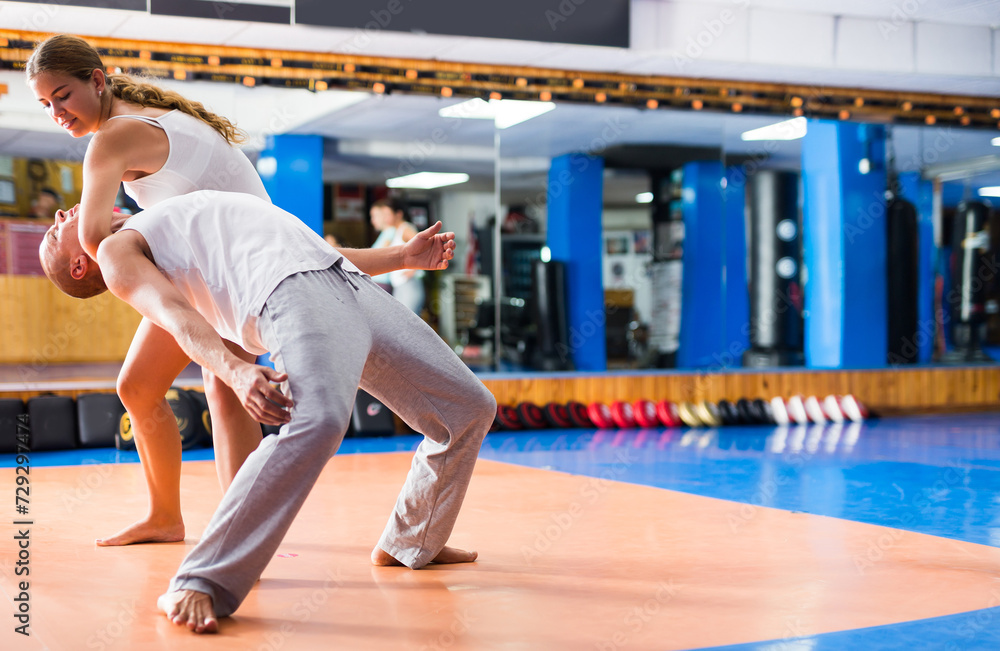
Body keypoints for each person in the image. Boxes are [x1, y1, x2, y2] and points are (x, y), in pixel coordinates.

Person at [40, 190, 495, 633]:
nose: (61, 212)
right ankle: (201, 578)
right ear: (80, 264)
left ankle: (412, 540)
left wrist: (401, 258)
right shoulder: (118, 253)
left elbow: (307, 247)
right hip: (291, 289)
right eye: (53, 231)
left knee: (467, 407)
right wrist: (236, 371)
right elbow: (178, 317)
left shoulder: (156, 210)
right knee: (316, 420)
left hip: (341, 276)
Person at [27, 33, 284, 547]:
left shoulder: (112, 138)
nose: (57, 111)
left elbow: (95, 239)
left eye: (63, 95)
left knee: (223, 388)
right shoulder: (135, 116)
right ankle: (166, 517)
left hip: (234, 264)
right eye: (44, 104)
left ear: (96, 81)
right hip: (217, 261)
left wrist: (83, 255)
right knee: (139, 387)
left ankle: (242, 532)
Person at [370, 197, 426, 313]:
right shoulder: (395, 230)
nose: (385, 218)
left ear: (398, 214)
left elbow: (424, 246)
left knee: (408, 325)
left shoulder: (406, 228)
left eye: (387, 214)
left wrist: (414, 269)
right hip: (399, 284)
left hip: (409, 284)